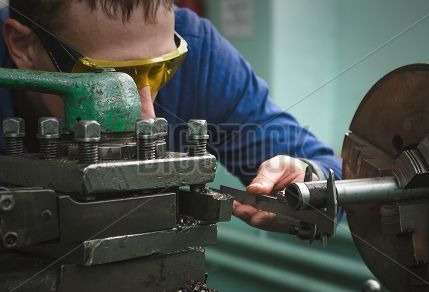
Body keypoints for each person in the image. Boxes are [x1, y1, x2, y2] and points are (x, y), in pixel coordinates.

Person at [0, 0, 342, 233]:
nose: (148, 116)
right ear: (22, 46)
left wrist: (307, 182)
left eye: (163, 69)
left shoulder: (197, 49)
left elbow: (328, 170)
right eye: (110, 78)